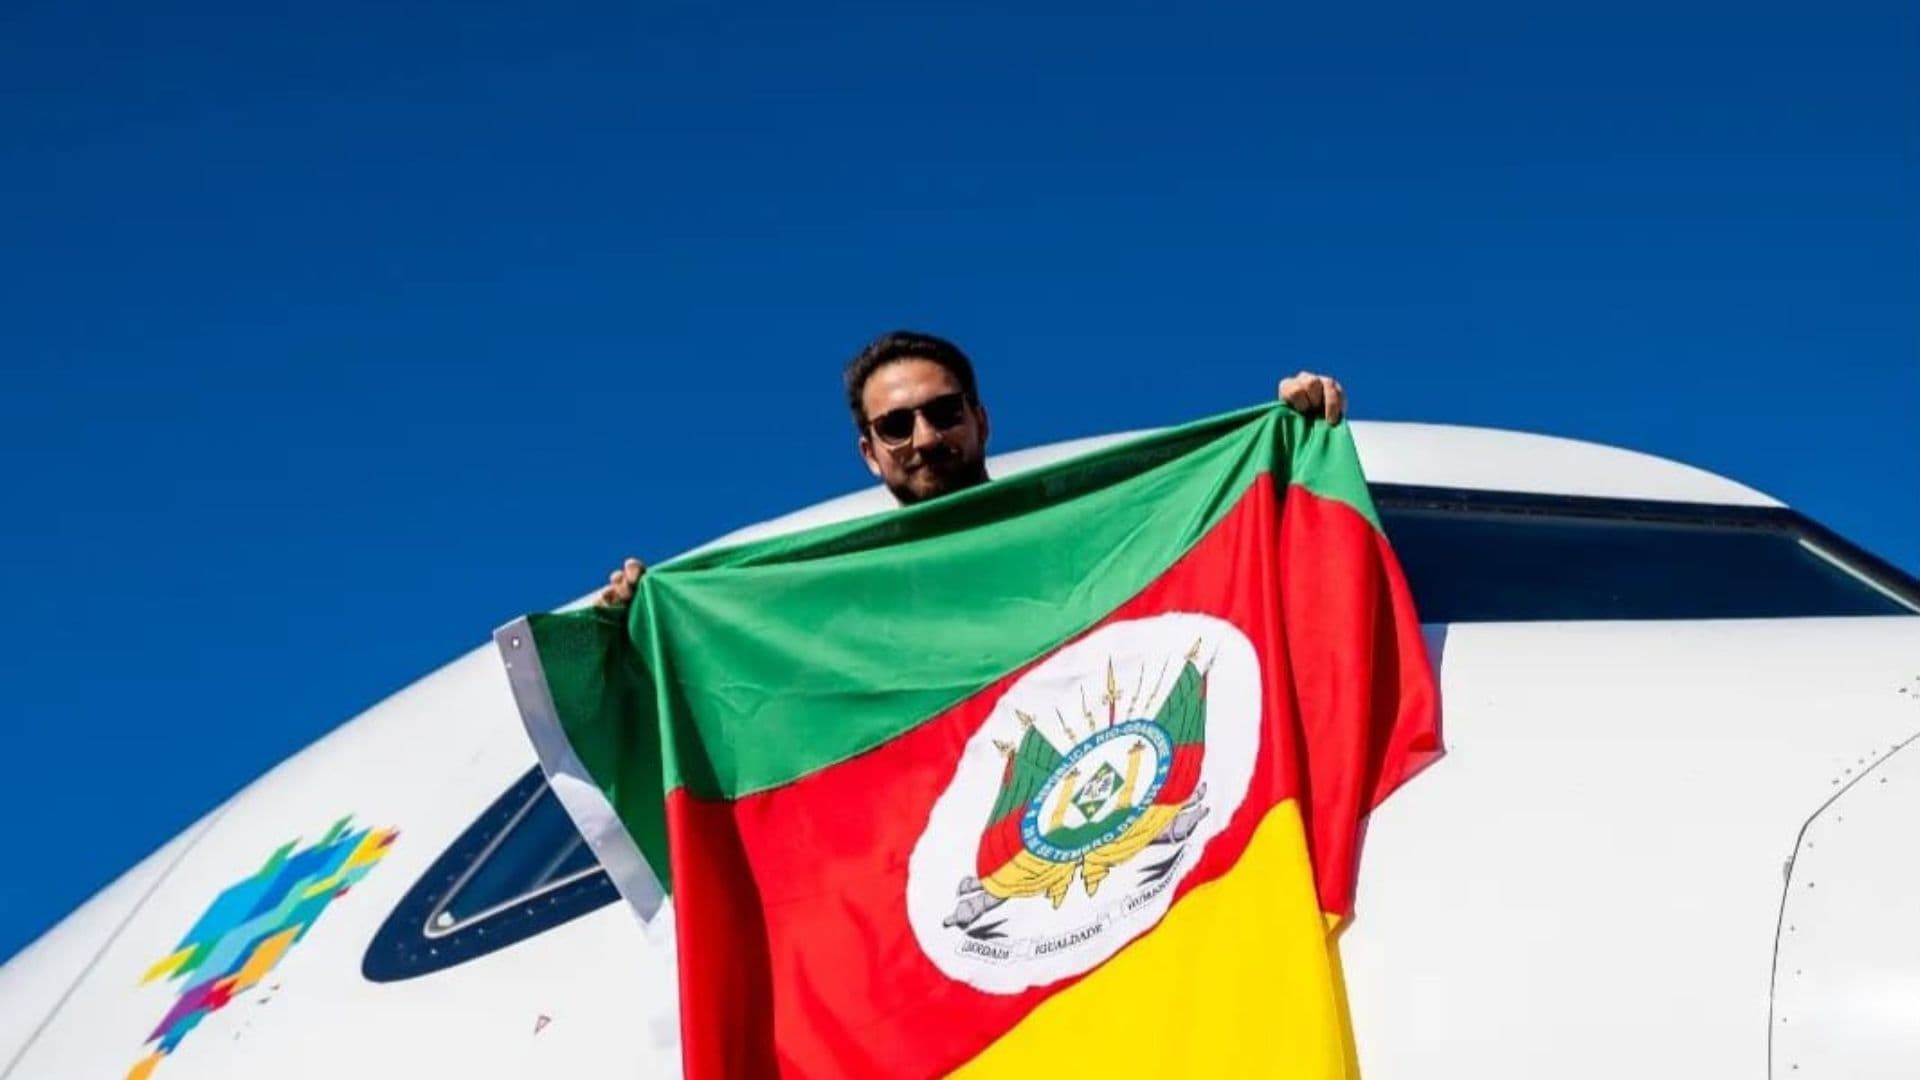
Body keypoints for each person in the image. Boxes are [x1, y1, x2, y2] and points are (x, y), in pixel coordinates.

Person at [598, 330, 1346, 606]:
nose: (924, 437)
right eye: (895, 425)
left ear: (981, 420)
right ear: (869, 452)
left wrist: (1287, 438)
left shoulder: (1074, 529)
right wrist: (635, 626)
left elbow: (1218, 553)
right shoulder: (844, 596)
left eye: (943, 412)